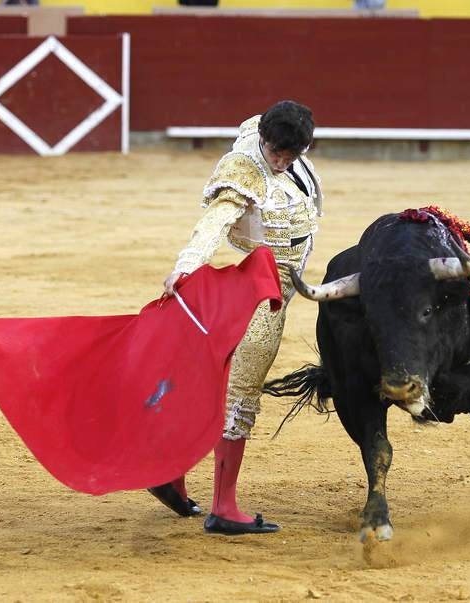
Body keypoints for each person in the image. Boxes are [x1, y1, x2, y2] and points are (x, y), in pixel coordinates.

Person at [148, 100, 322, 535]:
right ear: (263, 139)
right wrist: (186, 266)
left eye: (290, 155)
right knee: (241, 394)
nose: (280, 163)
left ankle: (171, 475)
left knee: (211, 381)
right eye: (276, 153)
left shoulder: (276, 142)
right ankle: (223, 507)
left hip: (264, 283)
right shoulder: (245, 169)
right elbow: (216, 221)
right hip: (263, 290)